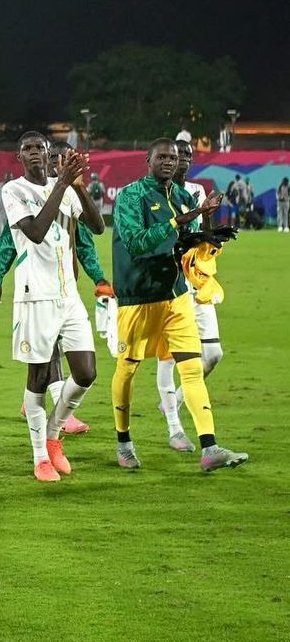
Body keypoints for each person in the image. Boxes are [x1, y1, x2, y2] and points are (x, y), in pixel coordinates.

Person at [110, 139, 247, 472]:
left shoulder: (185, 198)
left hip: (176, 295)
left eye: (174, 157)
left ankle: (209, 447)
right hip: (139, 298)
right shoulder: (130, 196)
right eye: (163, 157)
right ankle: (124, 442)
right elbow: (135, 242)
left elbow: (189, 246)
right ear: (149, 160)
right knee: (127, 369)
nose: (170, 162)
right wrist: (179, 222)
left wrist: (208, 234)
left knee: (191, 366)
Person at [0, 133, 103, 481]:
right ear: (19, 156)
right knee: (39, 377)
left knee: (86, 372)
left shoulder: (66, 188)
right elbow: (37, 232)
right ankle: (40, 456)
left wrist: (78, 186)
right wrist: (61, 185)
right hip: (35, 296)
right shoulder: (14, 191)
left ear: (47, 153)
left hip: (68, 294)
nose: (34, 153)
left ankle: (54, 435)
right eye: (27, 149)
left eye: (39, 148)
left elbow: (98, 226)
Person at [155, 141, 225, 451]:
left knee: (212, 354)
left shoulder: (196, 190)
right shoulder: (158, 194)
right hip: (167, 285)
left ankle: (175, 401)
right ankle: (174, 427)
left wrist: (210, 220)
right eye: (177, 154)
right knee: (169, 359)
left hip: (196, 283)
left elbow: (203, 233)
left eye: (187, 155)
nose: (183, 159)